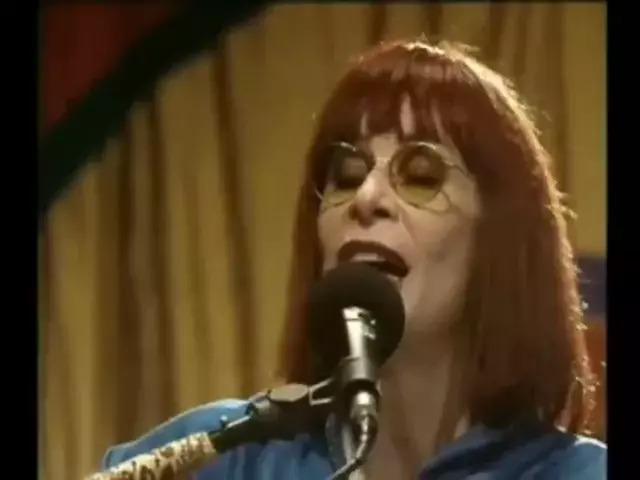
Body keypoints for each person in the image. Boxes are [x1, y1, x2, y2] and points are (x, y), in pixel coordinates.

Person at [100, 39, 607, 479]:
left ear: (499, 240)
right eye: (345, 175)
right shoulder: (226, 457)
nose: (366, 197)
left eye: (420, 176)